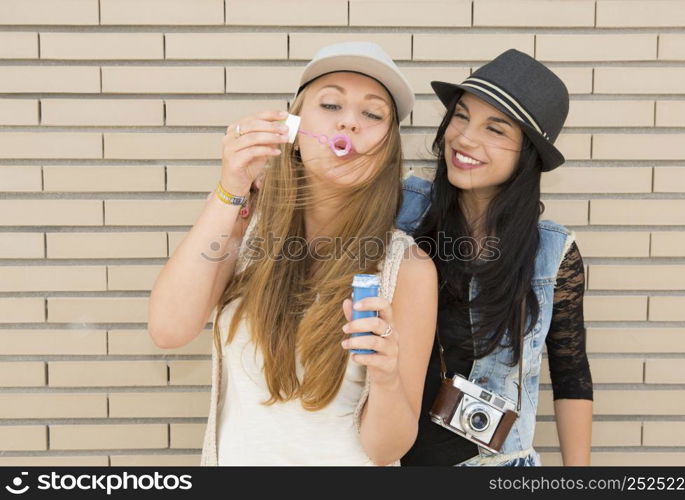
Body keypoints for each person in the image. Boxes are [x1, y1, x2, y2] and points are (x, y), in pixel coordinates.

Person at [148, 42, 438, 466]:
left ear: (387, 151)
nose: (350, 122)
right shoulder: (244, 230)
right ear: (294, 131)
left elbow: (387, 450)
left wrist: (387, 377)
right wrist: (232, 186)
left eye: (372, 114)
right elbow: (168, 330)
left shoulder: (406, 268)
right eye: (331, 104)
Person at [397, 49, 593, 467]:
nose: (465, 138)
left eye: (496, 129)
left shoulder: (552, 253)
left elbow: (571, 375)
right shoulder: (400, 209)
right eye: (461, 115)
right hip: (386, 458)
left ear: (527, 155)